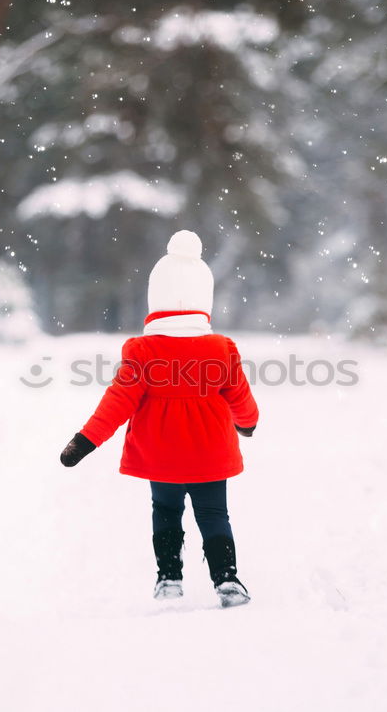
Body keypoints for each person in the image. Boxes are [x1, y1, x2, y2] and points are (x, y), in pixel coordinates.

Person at [60, 230, 259, 608]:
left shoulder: (143, 351)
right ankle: (227, 579)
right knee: (215, 514)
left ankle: (169, 577)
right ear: (204, 300)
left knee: (166, 511)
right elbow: (241, 399)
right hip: (210, 456)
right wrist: (246, 424)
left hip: (160, 455)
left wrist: (84, 441)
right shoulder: (220, 349)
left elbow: (116, 403)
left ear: (157, 299)